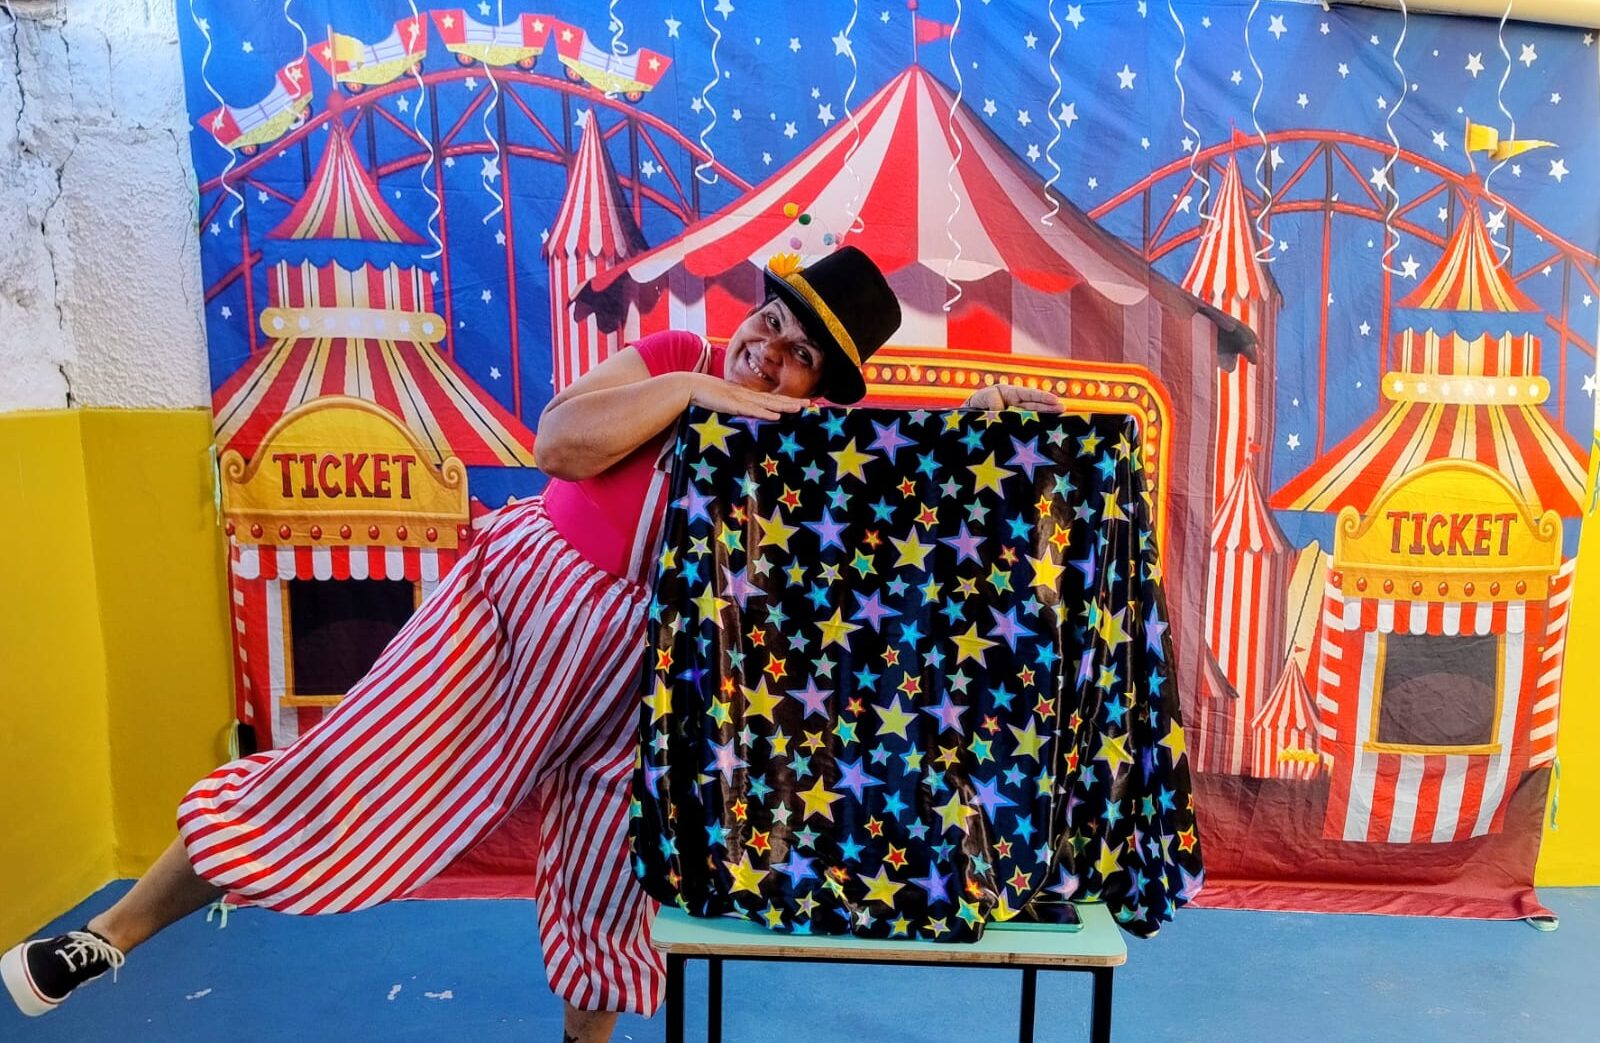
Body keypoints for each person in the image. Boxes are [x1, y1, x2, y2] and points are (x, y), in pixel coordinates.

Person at [3, 247, 1061, 1041]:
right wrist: (695, 390)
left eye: (797, 358)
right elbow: (558, 441)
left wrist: (984, 423)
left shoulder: (803, 454)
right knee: (336, 775)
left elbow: (908, 496)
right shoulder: (677, 358)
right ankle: (111, 934)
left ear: (819, 387)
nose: (768, 354)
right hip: (512, 616)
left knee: (613, 876)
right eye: (772, 324)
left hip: (646, 675)